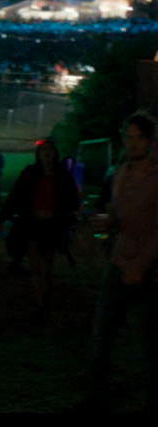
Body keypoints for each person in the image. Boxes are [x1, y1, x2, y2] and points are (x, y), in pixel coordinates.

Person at [82, 114, 158, 412]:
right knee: (101, 335)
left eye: (138, 137)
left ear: (150, 141)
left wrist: (141, 264)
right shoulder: (119, 173)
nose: (133, 142)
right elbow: (116, 214)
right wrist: (105, 221)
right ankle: (95, 397)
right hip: (119, 262)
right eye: (129, 136)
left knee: (151, 343)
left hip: (150, 270)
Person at [0, 140, 81, 315]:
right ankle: (39, 302)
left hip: (52, 226)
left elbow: (71, 199)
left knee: (48, 265)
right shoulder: (30, 173)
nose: (46, 154)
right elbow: (17, 194)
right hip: (33, 225)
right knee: (37, 267)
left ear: (55, 153)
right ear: (38, 153)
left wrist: (72, 214)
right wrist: (4, 216)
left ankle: (44, 298)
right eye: (43, 150)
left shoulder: (62, 176)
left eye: (50, 150)